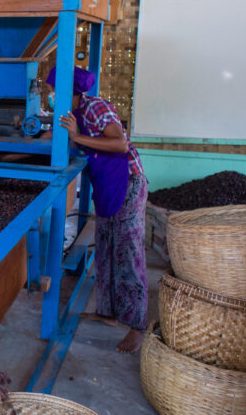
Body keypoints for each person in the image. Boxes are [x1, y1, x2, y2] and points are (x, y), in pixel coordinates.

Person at [47, 66, 148, 353]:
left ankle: (137, 326)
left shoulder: (95, 108)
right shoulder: (74, 115)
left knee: (128, 254)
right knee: (105, 249)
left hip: (127, 183)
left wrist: (78, 138)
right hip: (107, 186)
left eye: (55, 91)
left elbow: (119, 143)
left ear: (71, 92)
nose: (52, 96)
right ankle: (108, 312)